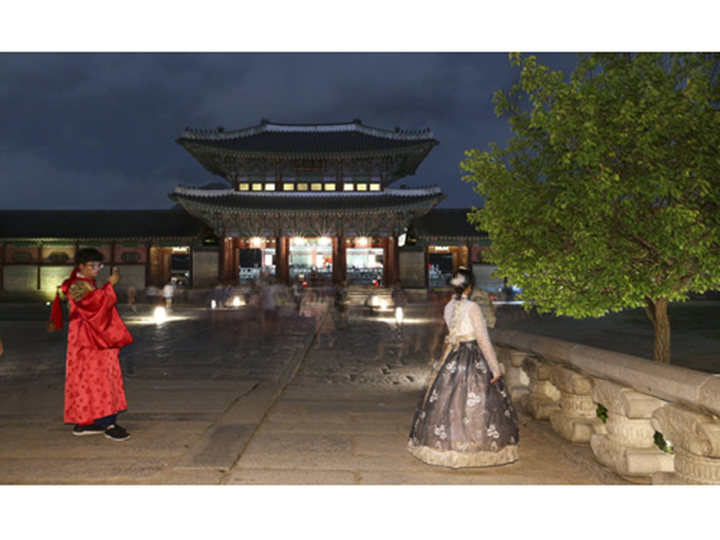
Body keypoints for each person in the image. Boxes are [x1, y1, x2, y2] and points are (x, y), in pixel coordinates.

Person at [407, 267, 519, 468]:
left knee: (449, 404)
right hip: (472, 357)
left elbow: (450, 335)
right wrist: (495, 368)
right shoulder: (473, 307)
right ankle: (473, 446)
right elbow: (483, 339)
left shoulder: (448, 306)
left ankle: (449, 446)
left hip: (453, 357)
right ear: (470, 286)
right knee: (476, 403)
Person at [60, 248, 133, 441]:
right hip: (89, 340)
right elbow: (93, 305)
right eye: (93, 266)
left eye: (99, 265)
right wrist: (109, 286)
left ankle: (87, 421)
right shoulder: (76, 286)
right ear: (81, 266)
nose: (97, 269)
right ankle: (107, 423)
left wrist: (105, 287)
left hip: (91, 337)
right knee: (99, 379)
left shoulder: (86, 284)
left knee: (90, 379)